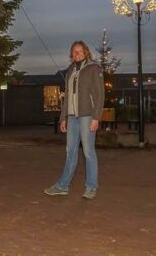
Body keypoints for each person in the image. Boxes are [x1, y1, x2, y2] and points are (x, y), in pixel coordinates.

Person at [44, 40, 104, 199]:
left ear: (86, 52)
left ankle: (91, 187)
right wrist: (63, 118)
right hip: (72, 117)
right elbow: (68, 95)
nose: (76, 54)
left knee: (88, 152)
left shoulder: (94, 68)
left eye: (79, 51)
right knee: (70, 152)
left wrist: (96, 117)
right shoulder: (70, 70)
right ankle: (63, 186)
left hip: (87, 116)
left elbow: (100, 95)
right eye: (74, 51)